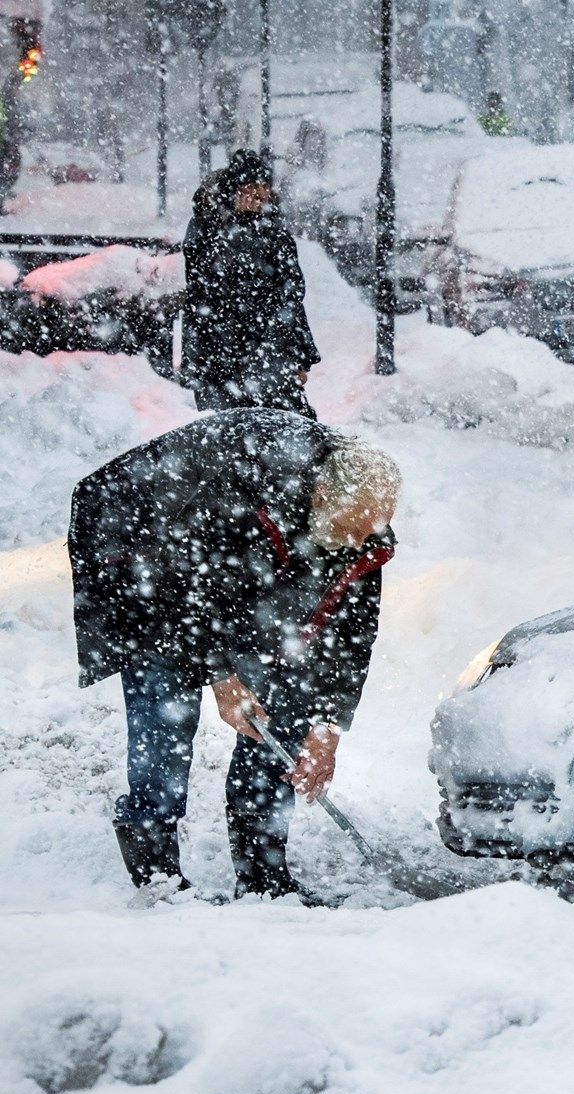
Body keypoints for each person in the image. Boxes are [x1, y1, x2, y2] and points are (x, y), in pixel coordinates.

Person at [69, 409, 400, 900]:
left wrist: (327, 726)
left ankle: (263, 872)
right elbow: (183, 587)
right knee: (166, 700)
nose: (361, 543)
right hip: (140, 543)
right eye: (353, 529)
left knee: (288, 695)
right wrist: (223, 677)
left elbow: (349, 637)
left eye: (370, 530)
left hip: (229, 565)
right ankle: (158, 874)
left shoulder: (359, 528)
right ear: (323, 497)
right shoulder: (241, 489)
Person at [181, 149, 322, 417]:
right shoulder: (207, 229)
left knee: (289, 427)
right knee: (229, 433)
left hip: (268, 351)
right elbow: (201, 292)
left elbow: (291, 297)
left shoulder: (274, 233)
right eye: (253, 186)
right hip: (221, 354)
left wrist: (303, 354)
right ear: (235, 190)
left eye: (265, 186)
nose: (262, 194)